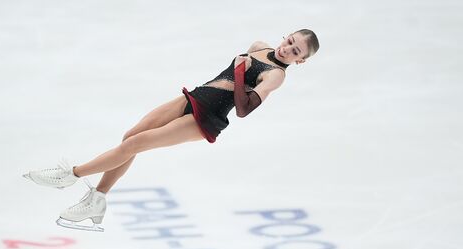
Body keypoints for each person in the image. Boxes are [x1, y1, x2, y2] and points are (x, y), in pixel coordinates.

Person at [24, 29, 320, 230]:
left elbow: (244, 109)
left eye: (295, 50)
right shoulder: (260, 47)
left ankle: (71, 175)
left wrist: (242, 73)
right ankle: (97, 199)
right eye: (290, 40)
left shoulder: (276, 75)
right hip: (194, 96)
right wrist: (240, 69)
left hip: (208, 117)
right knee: (130, 137)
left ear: (301, 60)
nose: (287, 48)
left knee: (132, 146)